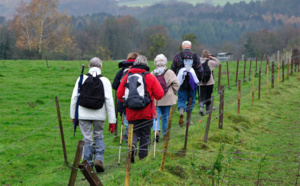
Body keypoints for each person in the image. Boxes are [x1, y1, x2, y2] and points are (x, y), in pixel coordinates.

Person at [70, 57, 116, 172]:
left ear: (89, 66)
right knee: (98, 135)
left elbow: (74, 97)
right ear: (101, 67)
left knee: (87, 138)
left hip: (83, 114)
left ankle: (87, 163)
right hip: (99, 114)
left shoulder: (81, 78)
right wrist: (112, 120)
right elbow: (109, 101)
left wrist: (73, 116)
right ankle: (99, 159)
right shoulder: (105, 80)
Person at [117, 55, 164, 162]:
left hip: (131, 112)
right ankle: (142, 158)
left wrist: (127, 103)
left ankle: (132, 145)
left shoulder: (126, 76)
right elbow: (160, 94)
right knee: (145, 134)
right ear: (146, 64)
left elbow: (119, 94)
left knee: (133, 131)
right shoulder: (149, 77)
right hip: (147, 113)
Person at [171, 40, 203, 125]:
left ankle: (181, 110)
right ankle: (188, 119)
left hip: (181, 81)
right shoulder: (195, 56)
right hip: (192, 82)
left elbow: (173, 70)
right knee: (191, 99)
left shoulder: (177, 56)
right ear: (190, 46)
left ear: (182, 47)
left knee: (181, 98)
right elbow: (200, 70)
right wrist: (199, 80)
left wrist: (174, 81)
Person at [151, 54, 179, 141]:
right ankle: (166, 134)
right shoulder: (170, 72)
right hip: (168, 98)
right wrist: (172, 92)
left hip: (156, 99)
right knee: (166, 117)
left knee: (156, 116)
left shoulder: (152, 73)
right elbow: (176, 84)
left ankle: (156, 131)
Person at [112, 52, 139, 143]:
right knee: (137, 118)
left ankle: (127, 138)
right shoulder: (140, 70)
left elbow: (114, 85)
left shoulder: (122, 71)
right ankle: (135, 136)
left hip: (123, 98)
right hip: (137, 98)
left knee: (127, 119)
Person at [199, 50, 220, 115]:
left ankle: (201, 106)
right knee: (208, 96)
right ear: (208, 55)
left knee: (202, 95)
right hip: (210, 82)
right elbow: (218, 63)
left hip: (201, 82)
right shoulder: (210, 62)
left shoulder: (198, 62)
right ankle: (208, 109)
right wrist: (212, 57)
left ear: (202, 55)